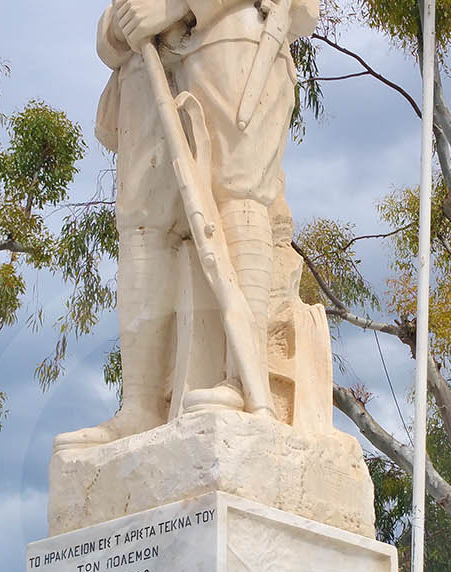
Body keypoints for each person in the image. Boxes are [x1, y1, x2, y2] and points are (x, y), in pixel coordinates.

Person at [61, 0, 322, 448]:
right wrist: (118, 28)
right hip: (142, 63)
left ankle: (243, 382)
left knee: (236, 197)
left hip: (233, 31)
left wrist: (177, 5)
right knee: (142, 225)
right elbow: (116, 20)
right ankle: (140, 406)